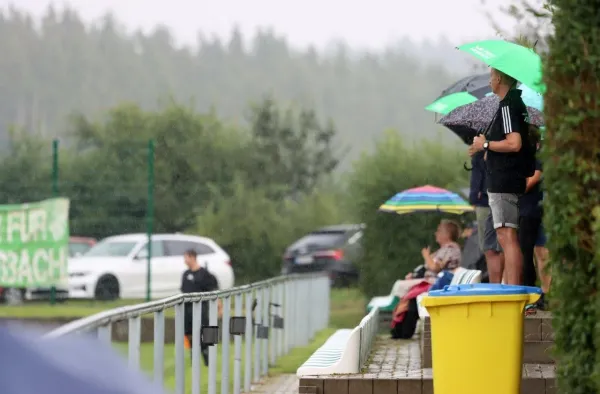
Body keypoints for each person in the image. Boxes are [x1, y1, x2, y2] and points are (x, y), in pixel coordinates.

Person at [471, 68, 529, 285]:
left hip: (503, 180)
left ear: (498, 79)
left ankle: (514, 289)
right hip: (506, 177)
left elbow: (514, 143)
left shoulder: (507, 105)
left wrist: (485, 144)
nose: (489, 81)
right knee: (507, 236)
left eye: (490, 77)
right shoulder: (513, 104)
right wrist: (487, 147)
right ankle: (513, 288)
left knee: (507, 237)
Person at [391, 220, 462, 339]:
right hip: (434, 281)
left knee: (407, 293)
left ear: (447, 234)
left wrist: (426, 256)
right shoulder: (443, 249)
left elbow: (435, 268)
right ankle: (401, 329)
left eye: (439, 231)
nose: (436, 233)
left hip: (439, 283)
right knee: (407, 293)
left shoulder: (450, 248)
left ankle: (403, 330)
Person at [469, 150, 504, 283]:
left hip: (491, 197)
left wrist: (486, 149)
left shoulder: (495, 142)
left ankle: (502, 282)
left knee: (499, 244)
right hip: (482, 200)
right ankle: (494, 284)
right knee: (487, 247)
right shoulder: (479, 151)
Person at [180, 249, 219, 367]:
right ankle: (194, 360)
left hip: (202, 309)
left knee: (204, 333)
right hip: (187, 311)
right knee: (189, 334)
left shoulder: (205, 274)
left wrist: (219, 306)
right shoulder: (185, 274)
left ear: (192, 257)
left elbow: (214, 290)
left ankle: (208, 360)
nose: (184, 260)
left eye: (186, 257)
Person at [519, 133, 543, 289]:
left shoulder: (537, 157)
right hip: (523, 209)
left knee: (528, 252)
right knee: (526, 251)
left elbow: (534, 178)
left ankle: (531, 287)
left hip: (531, 209)